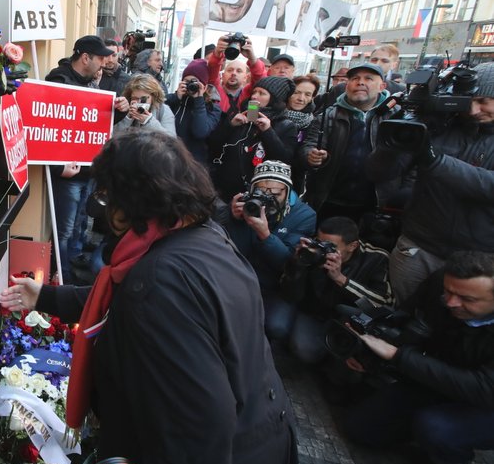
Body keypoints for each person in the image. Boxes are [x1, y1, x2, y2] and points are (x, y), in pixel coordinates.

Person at [2, 130, 298, 464]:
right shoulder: (200, 237)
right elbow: (120, 297)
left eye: (107, 197)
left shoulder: (159, 279)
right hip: (262, 448)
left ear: (129, 202)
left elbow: (199, 421)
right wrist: (49, 297)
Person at [342, 251, 494, 464]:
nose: (451, 302)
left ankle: (450, 460)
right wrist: (368, 347)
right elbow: (406, 321)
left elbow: (484, 389)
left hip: (484, 403)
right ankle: (415, 429)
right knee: (360, 428)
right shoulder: (441, 283)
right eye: (449, 292)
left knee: (435, 427)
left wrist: (398, 356)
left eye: (467, 299)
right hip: (436, 376)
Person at [366, 61, 494, 304]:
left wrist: (436, 161)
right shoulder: (441, 126)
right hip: (419, 246)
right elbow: (378, 172)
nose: (474, 110)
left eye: (484, 101)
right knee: (399, 310)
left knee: (458, 326)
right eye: (470, 100)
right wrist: (398, 138)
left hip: (481, 258)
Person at [44, 35, 115, 283]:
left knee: (75, 227)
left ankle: (68, 270)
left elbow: (91, 124)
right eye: (100, 58)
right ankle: (62, 277)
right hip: (69, 173)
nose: (104, 63)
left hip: (86, 171)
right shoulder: (60, 80)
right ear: (85, 57)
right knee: (63, 230)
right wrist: (57, 166)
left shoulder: (87, 83)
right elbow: (47, 127)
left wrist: (115, 111)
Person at [276, 217, 393, 364]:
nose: (323, 249)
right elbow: (289, 293)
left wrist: (341, 279)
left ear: (352, 246)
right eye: (319, 241)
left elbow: (383, 302)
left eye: (330, 246)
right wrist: (298, 263)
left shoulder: (376, 258)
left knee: (308, 352)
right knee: (279, 329)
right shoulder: (311, 248)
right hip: (312, 310)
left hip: (345, 319)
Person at [223, 160, 316, 339]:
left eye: (275, 192)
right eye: (261, 191)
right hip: (241, 278)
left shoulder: (305, 215)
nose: (268, 198)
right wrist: (233, 219)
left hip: (275, 286)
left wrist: (265, 235)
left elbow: (288, 264)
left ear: (287, 191)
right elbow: (231, 251)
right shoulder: (247, 205)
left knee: (276, 327)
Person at [298, 63, 399, 222]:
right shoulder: (328, 115)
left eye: (368, 78)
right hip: (330, 201)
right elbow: (309, 146)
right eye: (355, 78)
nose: (360, 82)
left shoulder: (397, 116)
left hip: (375, 204)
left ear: (382, 86)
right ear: (347, 86)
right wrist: (312, 156)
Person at [208, 76, 299, 201]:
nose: (255, 96)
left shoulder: (286, 126)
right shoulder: (241, 117)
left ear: (275, 99)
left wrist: (267, 132)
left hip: (258, 194)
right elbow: (213, 145)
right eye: (254, 92)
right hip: (225, 190)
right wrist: (230, 126)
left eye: (262, 93)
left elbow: (284, 159)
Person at [167, 59, 222, 165]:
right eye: (186, 82)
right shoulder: (175, 101)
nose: (190, 85)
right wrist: (176, 97)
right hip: (170, 159)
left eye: (194, 82)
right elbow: (159, 106)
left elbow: (200, 132)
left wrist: (199, 100)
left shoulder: (212, 108)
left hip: (194, 164)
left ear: (204, 86)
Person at [207, 35, 265, 114]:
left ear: (246, 77)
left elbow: (260, 79)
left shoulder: (251, 94)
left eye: (239, 71)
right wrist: (217, 53)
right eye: (230, 70)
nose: (233, 73)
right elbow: (212, 69)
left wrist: (252, 57)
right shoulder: (215, 90)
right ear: (222, 76)